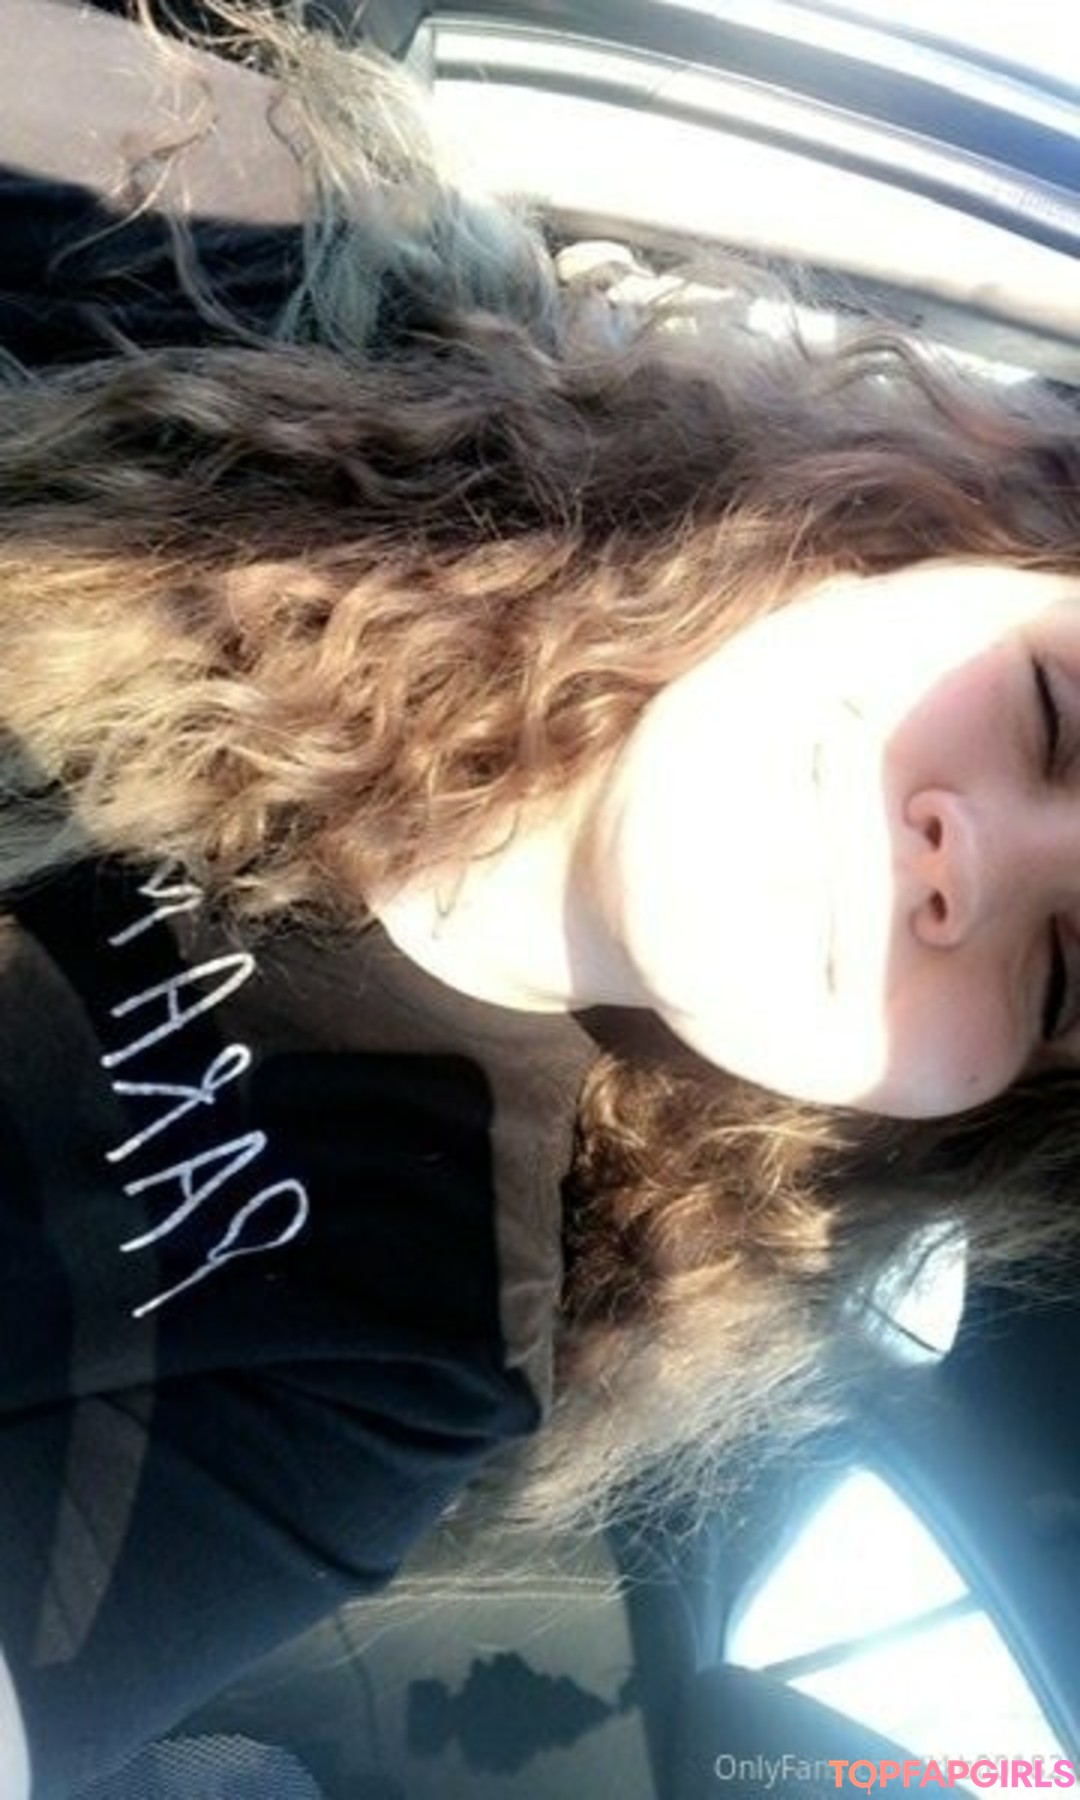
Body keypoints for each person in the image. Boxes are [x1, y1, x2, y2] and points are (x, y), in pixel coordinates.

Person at [2, 3, 1080, 1794]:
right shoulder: (281, 270)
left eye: (1062, 980)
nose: (961, 868)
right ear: (926, 542)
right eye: (1053, 713)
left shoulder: (416, 1343)